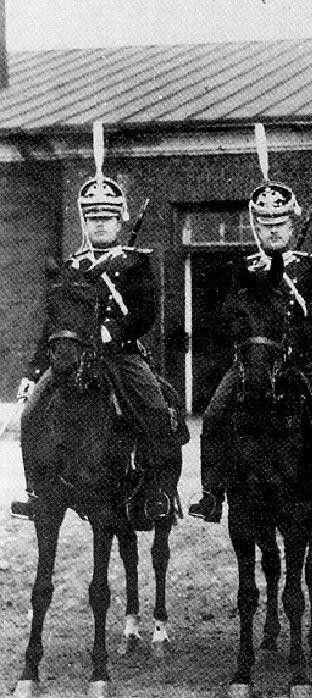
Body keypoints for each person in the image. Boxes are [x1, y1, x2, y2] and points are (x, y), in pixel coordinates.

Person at [18, 125, 180, 519]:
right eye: (93, 219)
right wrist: (34, 369)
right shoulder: (73, 266)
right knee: (32, 413)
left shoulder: (136, 262)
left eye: (108, 218)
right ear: (84, 222)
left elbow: (145, 314)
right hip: (74, 357)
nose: (101, 225)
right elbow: (53, 324)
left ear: (120, 221)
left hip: (120, 356)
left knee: (157, 413)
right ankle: (37, 492)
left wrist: (112, 331)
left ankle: (156, 492)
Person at [189, 169, 312, 527]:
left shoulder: (311, 269)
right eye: (266, 225)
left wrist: (293, 344)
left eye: (280, 223)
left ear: (292, 227)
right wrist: (249, 342)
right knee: (216, 414)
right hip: (254, 360)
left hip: (304, 359)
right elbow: (228, 317)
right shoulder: (241, 268)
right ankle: (211, 493)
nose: (274, 230)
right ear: (256, 228)